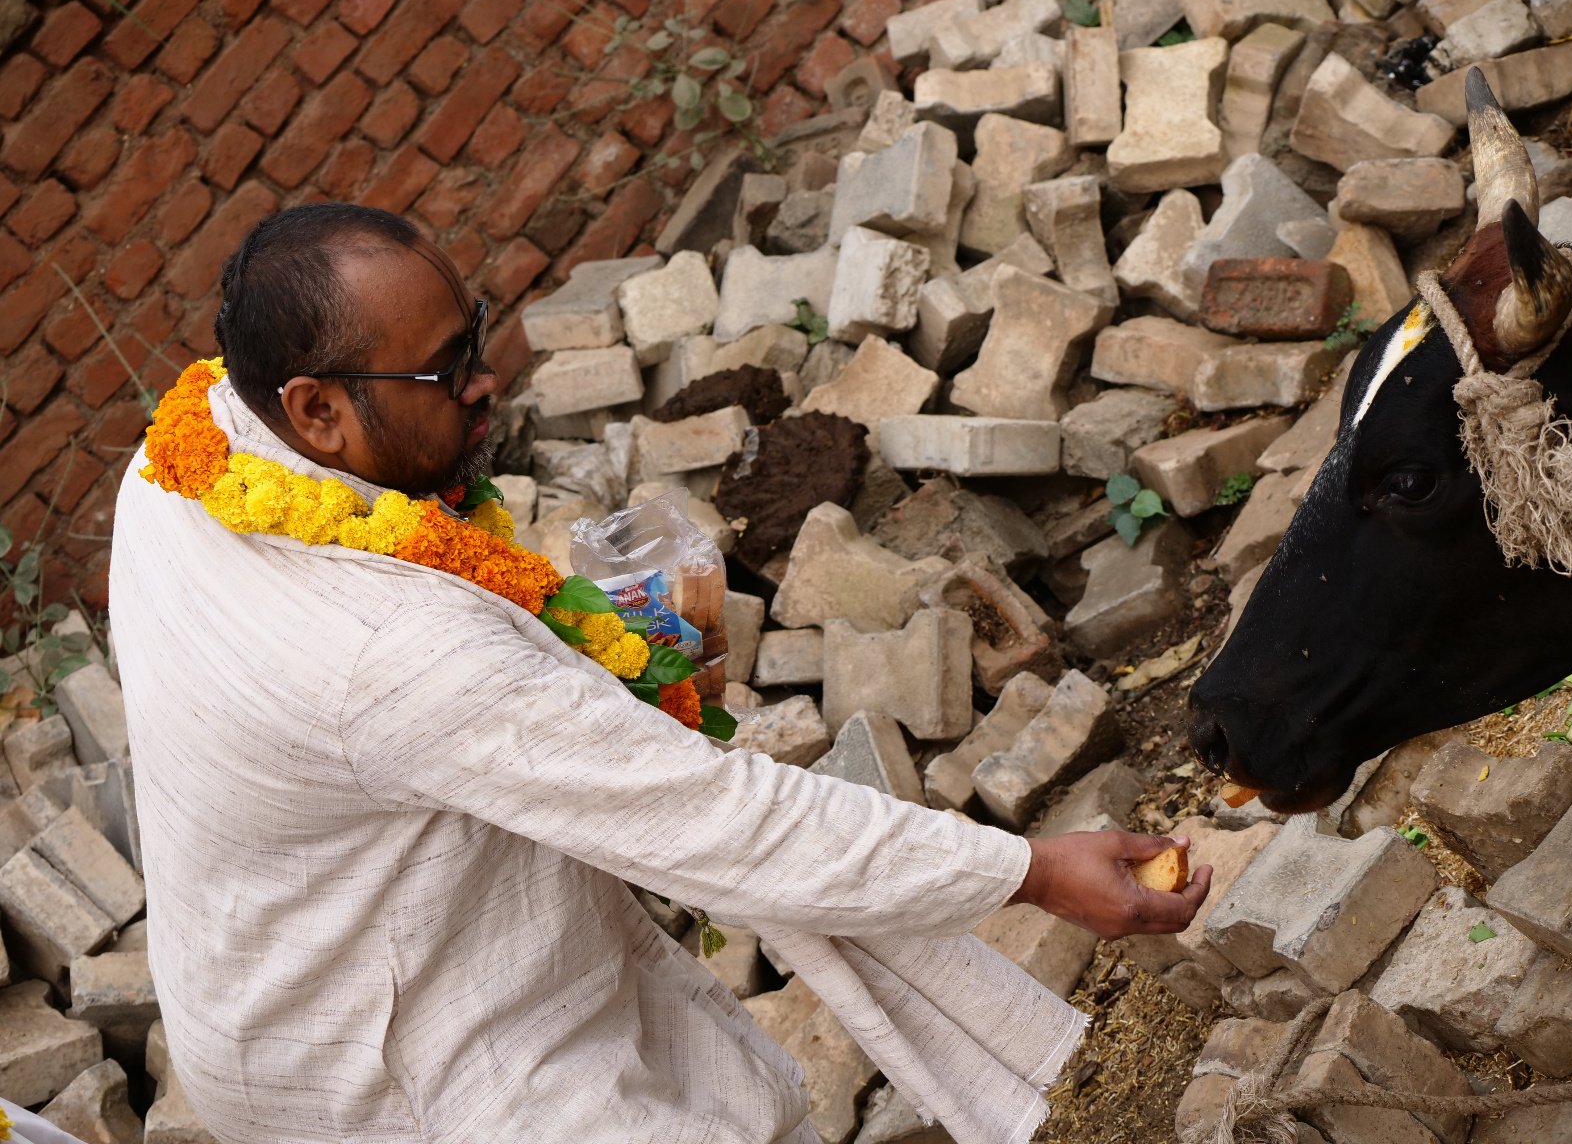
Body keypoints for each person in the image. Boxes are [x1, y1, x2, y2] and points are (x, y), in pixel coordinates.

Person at [108, 204, 1212, 1144]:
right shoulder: (395, 657)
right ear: (315, 410)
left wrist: (601, 664)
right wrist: (1028, 872)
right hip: (395, 1053)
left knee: (729, 1091)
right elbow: (729, 823)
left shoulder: (188, 447)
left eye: (475, 333)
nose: (488, 380)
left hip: (309, 947)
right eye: (446, 369)